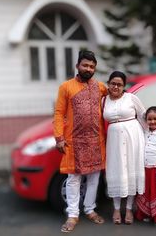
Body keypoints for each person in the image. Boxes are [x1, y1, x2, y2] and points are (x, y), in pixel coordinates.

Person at [53, 50, 108, 233]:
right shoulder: (66, 87)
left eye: (92, 66)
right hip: (73, 141)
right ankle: (73, 214)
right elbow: (59, 113)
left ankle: (90, 209)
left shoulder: (100, 87)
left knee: (94, 177)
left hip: (96, 141)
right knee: (73, 179)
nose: (88, 69)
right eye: (85, 65)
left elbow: (114, 101)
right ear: (77, 66)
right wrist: (59, 137)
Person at [102, 71, 146, 225]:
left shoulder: (132, 98)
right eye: (113, 83)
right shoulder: (103, 101)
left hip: (134, 138)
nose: (116, 86)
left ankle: (128, 209)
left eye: (119, 84)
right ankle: (116, 208)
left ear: (124, 86)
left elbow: (143, 117)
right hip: (113, 141)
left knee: (131, 172)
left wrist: (150, 139)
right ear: (108, 84)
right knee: (116, 171)